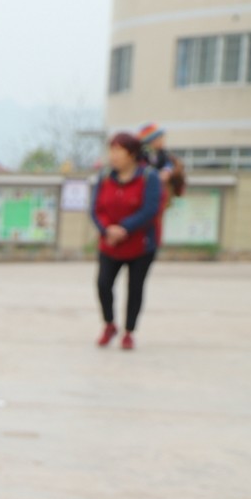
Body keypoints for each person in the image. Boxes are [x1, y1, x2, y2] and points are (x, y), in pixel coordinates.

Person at [91, 132, 162, 350]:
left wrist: (124, 228)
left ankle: (129, 332)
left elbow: (150, 209)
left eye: (118, 151)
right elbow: (95, 209)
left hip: (140, 245)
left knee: (135, 288)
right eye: (111, 150)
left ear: (132, 154)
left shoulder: (149, 177)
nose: (113, 156)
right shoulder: (104, 177)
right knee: (103, 284)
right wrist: (107, 229)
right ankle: (109, 324)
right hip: (110, 244)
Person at [136, 122, 186, 204]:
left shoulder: (161, 152)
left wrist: (167, 170)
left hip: (161, 183)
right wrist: (157, 175)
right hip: (149, 185)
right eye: (160, 139)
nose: (162, 141)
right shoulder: (143, 153)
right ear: (151, 141)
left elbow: (168, 162)